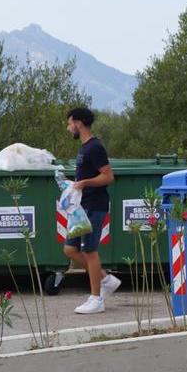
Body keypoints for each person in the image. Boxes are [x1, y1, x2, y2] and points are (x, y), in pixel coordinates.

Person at [64, 107, 120, 314]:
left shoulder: (95, 147)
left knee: (89, 251)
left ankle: (96, 299)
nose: (69, 128)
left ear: (78, 123)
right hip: (81, 206)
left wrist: (85, 182)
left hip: (94, 206)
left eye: (70, 123)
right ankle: (105, 279)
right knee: (70, 250)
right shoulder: (84, 148)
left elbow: (108, 176)